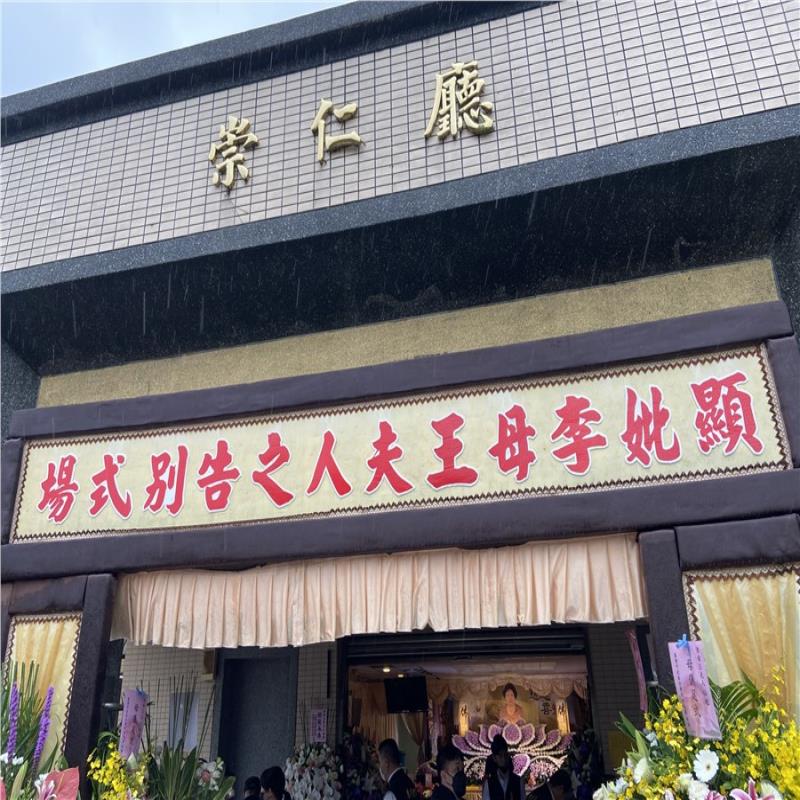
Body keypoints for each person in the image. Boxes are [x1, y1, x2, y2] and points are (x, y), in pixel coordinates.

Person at [481, 735, 524, 800]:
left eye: (505, 755)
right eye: (500, 755)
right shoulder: (489, 783)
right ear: (494, 758)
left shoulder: (518, 780)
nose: (503, 759)